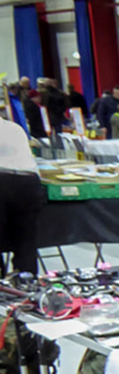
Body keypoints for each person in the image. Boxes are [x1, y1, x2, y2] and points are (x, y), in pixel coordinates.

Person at [0, 114, 43, 274]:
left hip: (2, 181)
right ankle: (26, 279)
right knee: (26, 240)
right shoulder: (16, 128)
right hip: (29, 183)